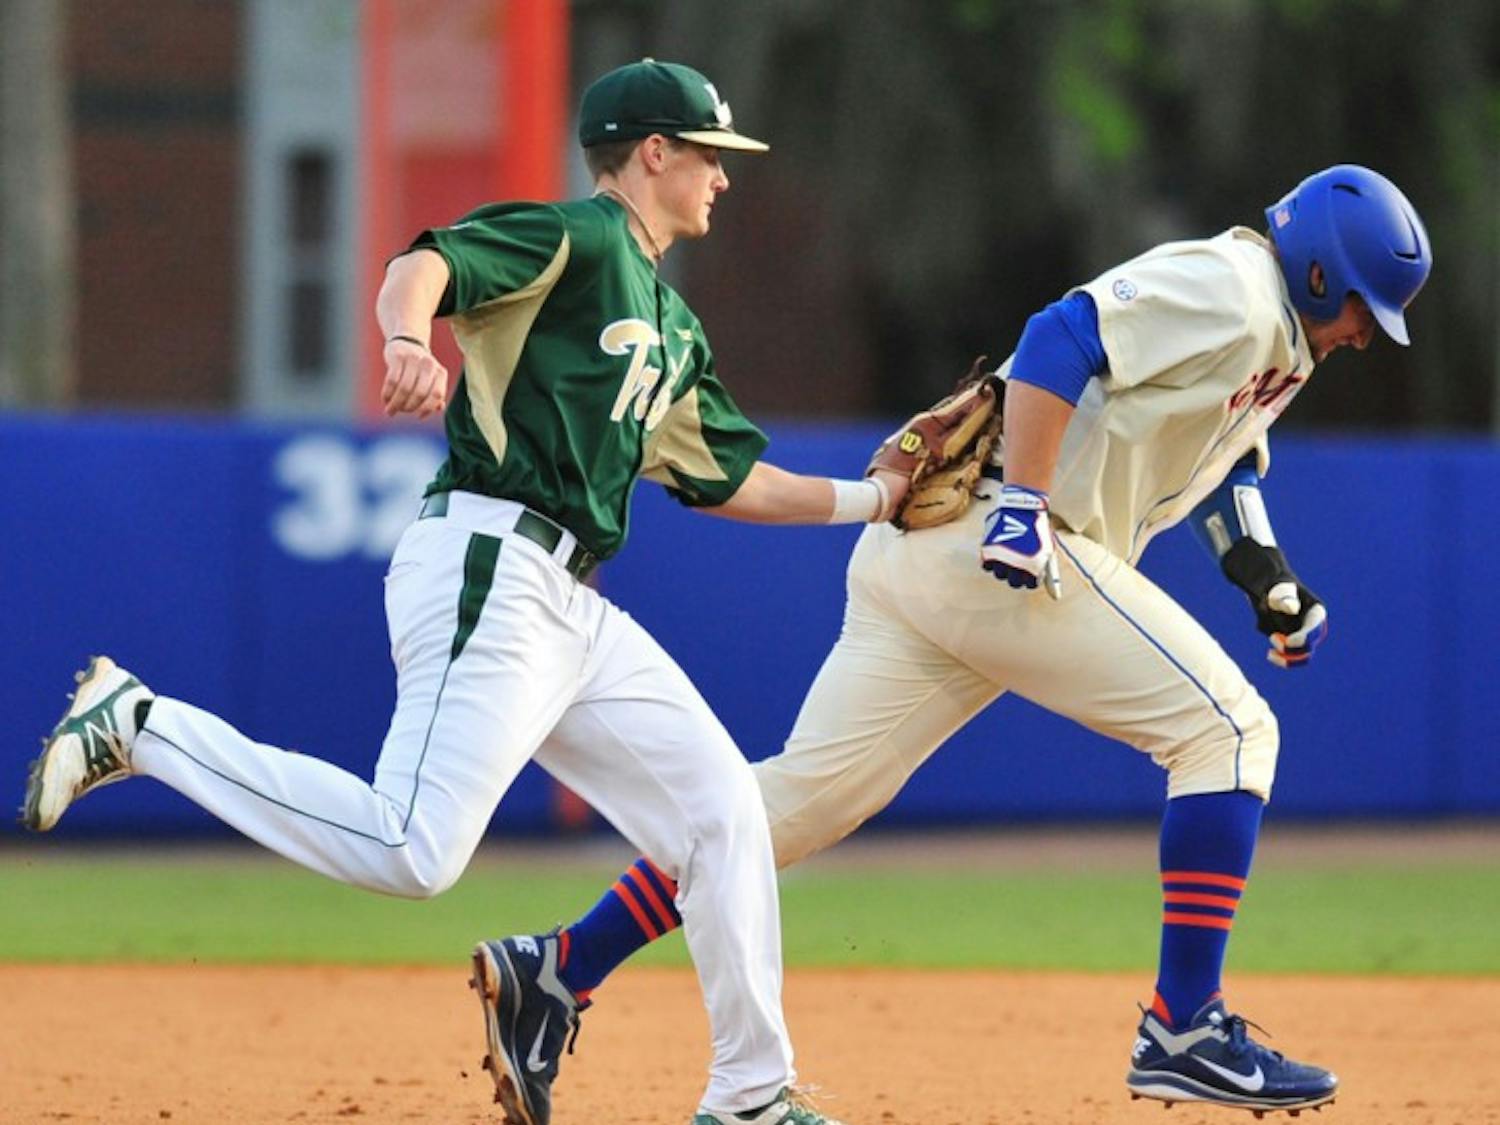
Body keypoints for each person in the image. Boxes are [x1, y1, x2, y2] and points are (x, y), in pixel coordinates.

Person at [22, 58, 912, 1125]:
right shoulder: (577, 240)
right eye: (710, 156)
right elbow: (422, 266)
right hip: (492, 561)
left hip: (574, 603)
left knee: (725, 812)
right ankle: (144, 727)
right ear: (655, 153)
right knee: (413, 850)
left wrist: (877, 498)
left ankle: (751, 1096)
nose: (724, 178)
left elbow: (734, 480)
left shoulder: (674, 329)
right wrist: (406, 339)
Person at [492, 164, 1432, 1118]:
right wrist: (1021, 503)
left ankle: (558, 969)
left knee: (784, 808)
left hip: (929, 560)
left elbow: (1224, 468)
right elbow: (1057, 336)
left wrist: (1266, 580)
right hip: (1007, 539)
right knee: (1229, 733)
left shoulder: (1279, 341)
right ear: (1319, 273)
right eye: (1364, 306)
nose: (1365, 331)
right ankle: (1184, 1022)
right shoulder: (1231, 289)